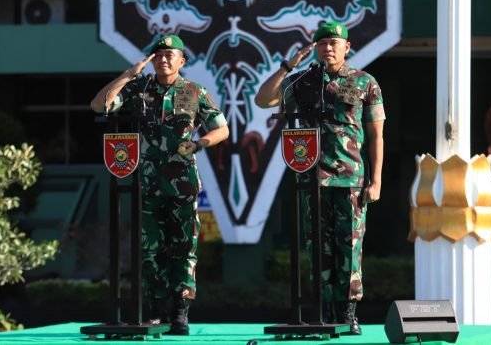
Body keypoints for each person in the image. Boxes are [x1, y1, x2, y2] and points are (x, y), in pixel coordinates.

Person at [91, 34, 229, 335]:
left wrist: (199, 144)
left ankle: (180, 312)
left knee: (184, 248)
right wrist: (128, 75)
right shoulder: (139, 89)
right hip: (148, 182)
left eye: (170, 55)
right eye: (159, 55)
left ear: (182, 61)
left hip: (182, 183)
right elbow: (100, 105)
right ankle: (156, 311)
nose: (164, 59)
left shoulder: (194, 91)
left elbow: (222, 129)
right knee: (151, 249)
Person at [254, 21, 384, 335]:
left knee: (350, 246)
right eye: (323, 43)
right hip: (312, 179)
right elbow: (263, 99)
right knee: (318, 248)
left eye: (334, 43)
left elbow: (376, 135)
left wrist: (376, 179)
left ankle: (348, 312)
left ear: (346, 47)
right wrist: (289, 66)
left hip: (351, 179)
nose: (328, 49)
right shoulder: (303, 81)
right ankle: (324, 311)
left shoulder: (365, 82)